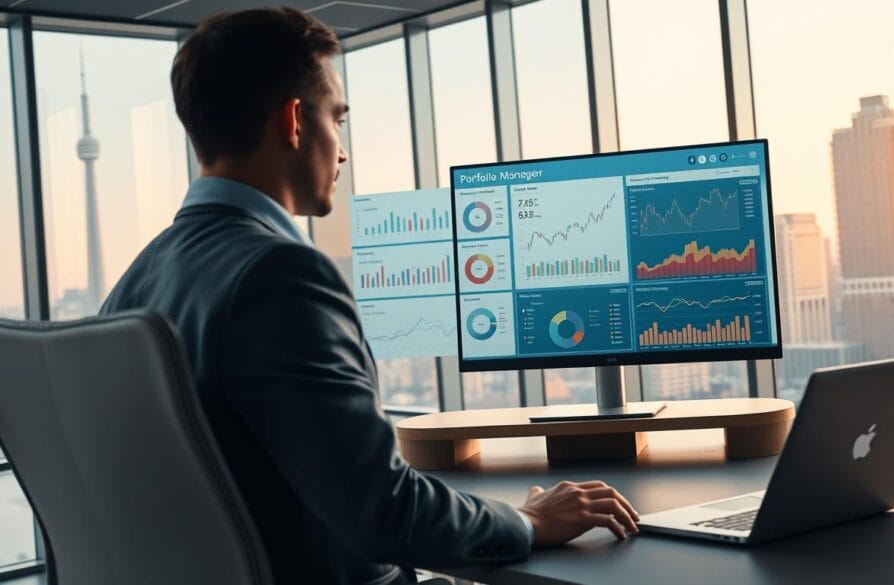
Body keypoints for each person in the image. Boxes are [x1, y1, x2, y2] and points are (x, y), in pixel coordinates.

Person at [100, 7, 639, 585]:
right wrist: (527, 521)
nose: (342, 151)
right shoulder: (279, 274)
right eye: (338, 119)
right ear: (294, 121)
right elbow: (383, 512)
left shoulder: (135, 281)